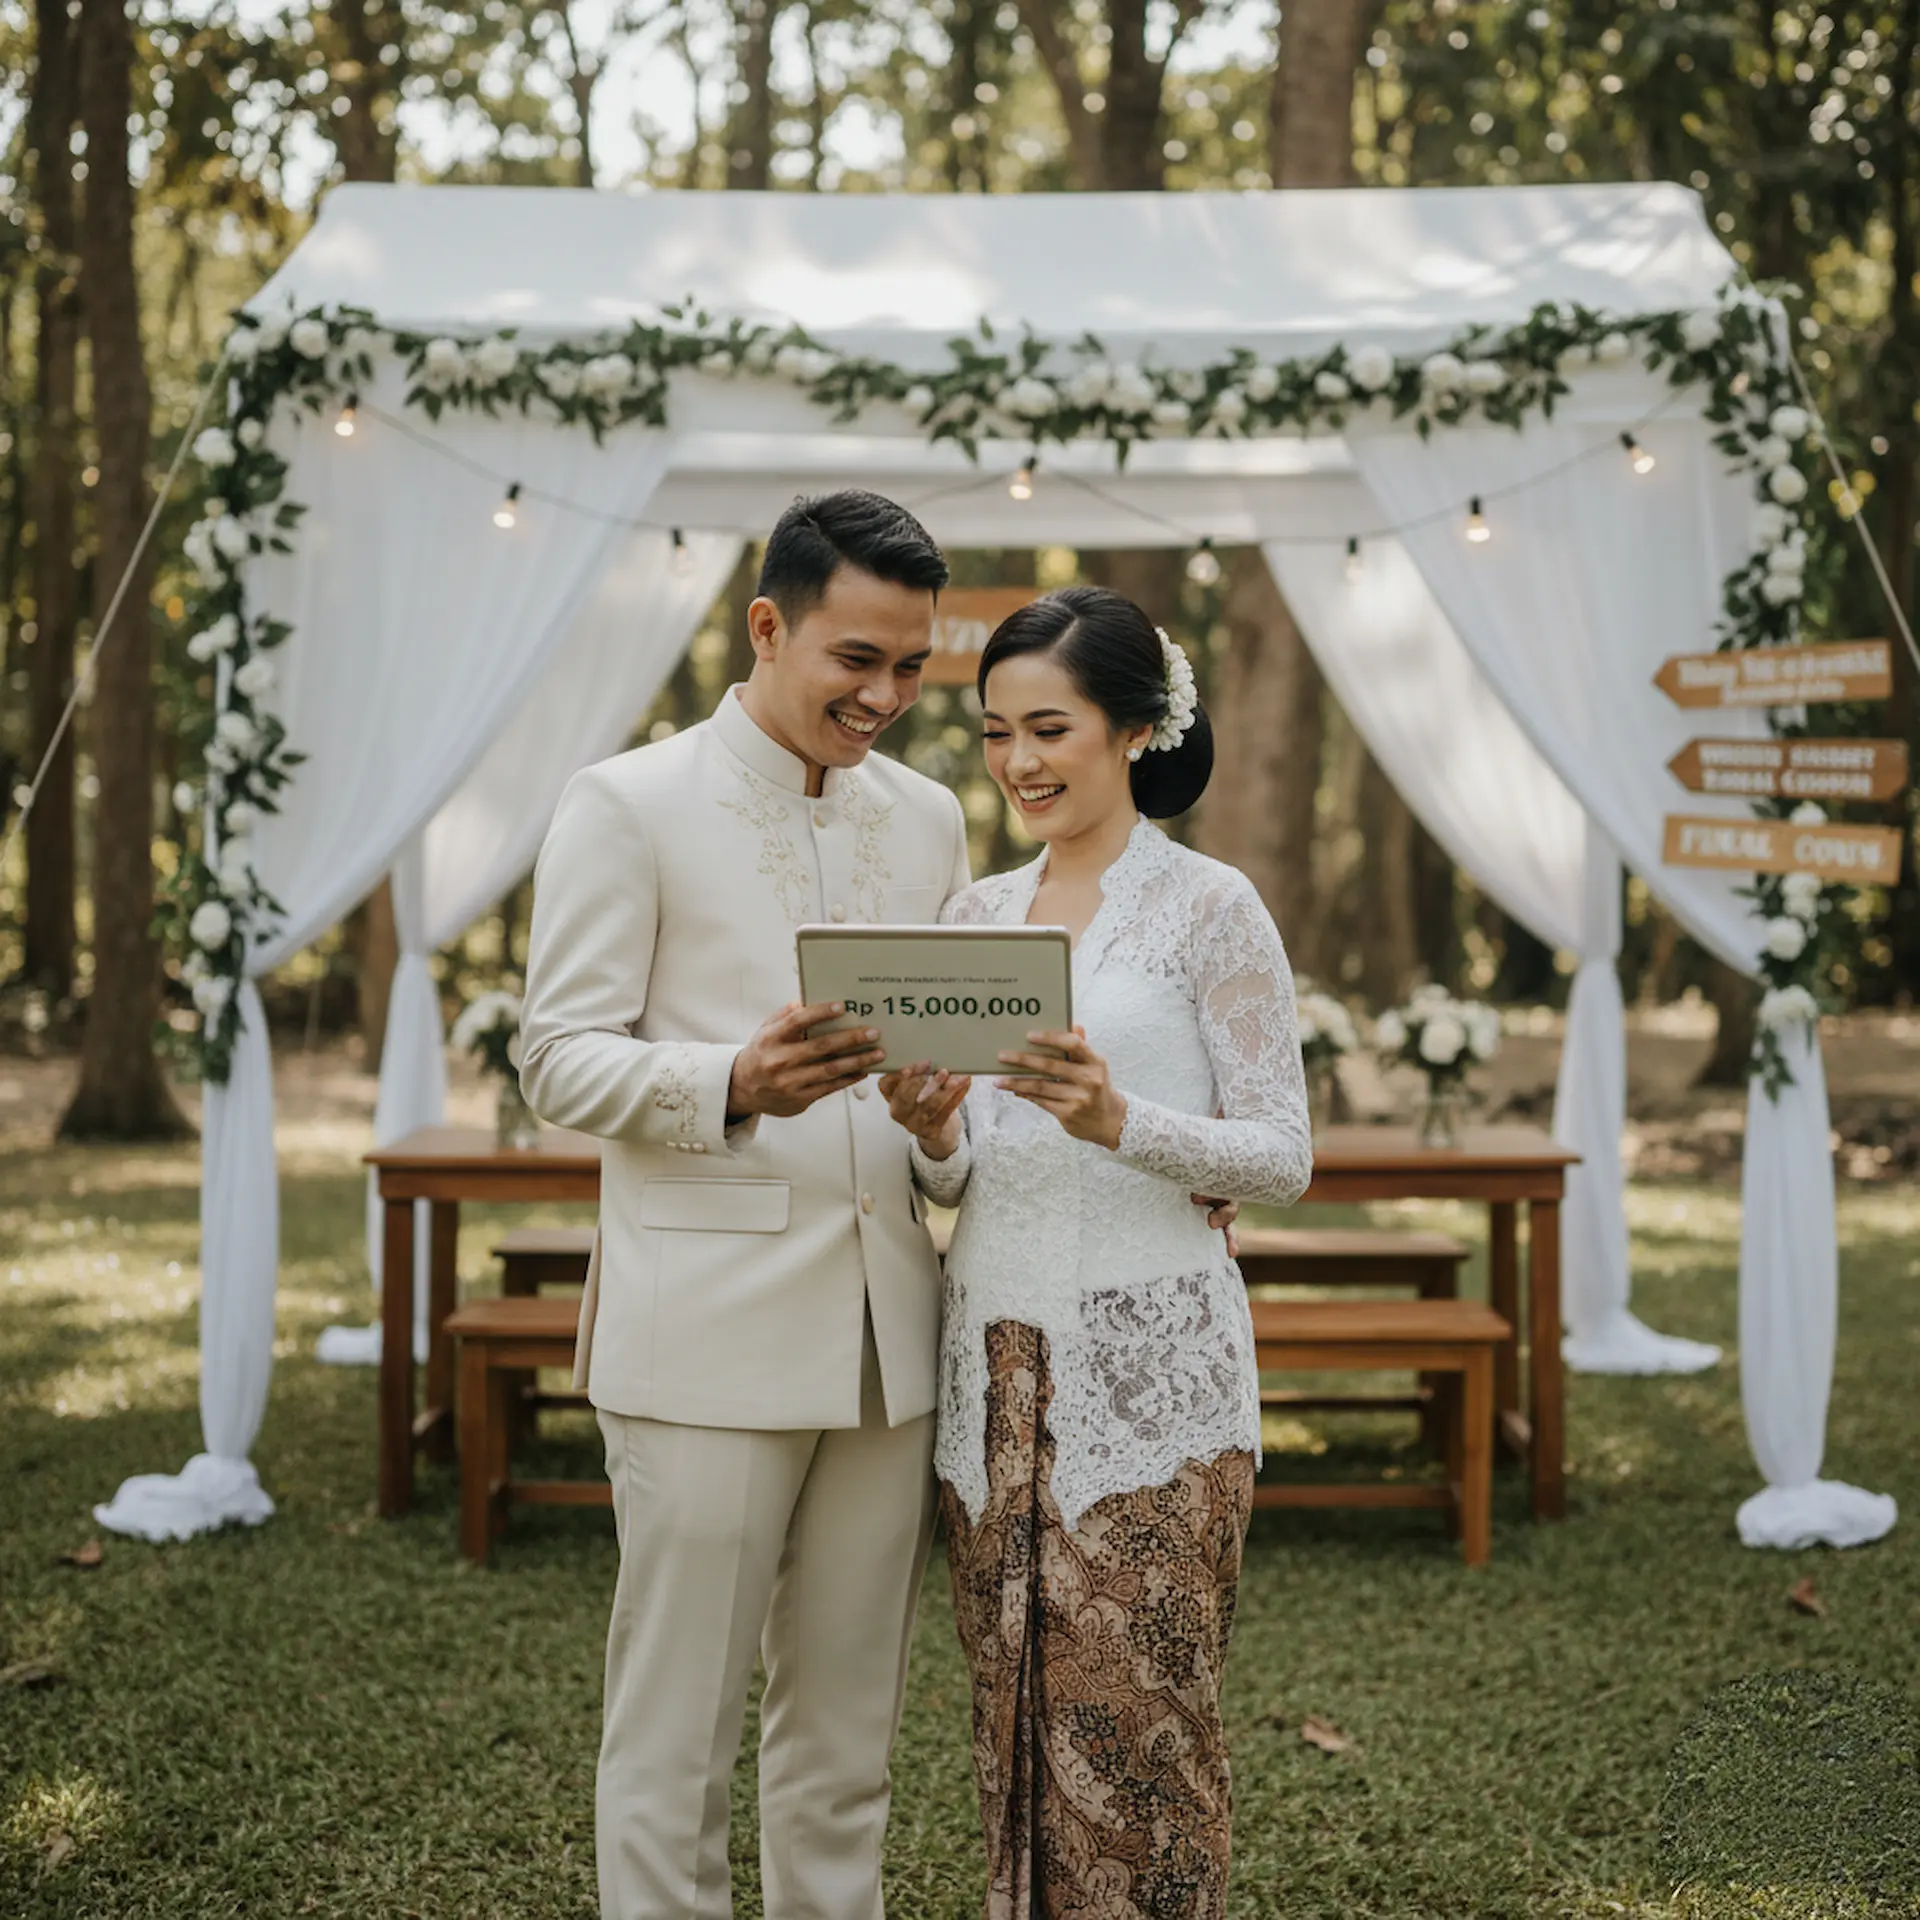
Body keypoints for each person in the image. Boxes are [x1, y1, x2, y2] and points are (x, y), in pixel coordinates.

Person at [517, 489, 974, 1919]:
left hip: (888, 1348)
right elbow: (555, 1054)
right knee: (675, 1742)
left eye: (910, 667)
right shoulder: (625, 800)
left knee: (846, 1746)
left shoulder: (933, 820)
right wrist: (729, 1080)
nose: (886, 697)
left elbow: (948, 1083)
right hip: (701, 1339)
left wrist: (942, 1135)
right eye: (857, 660)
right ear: (767, 626)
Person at [880, 585, 1313, 1919]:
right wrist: (928, 1128)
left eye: (1049, 727)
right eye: (998, 730)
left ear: (1132, 729)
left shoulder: (1210, 908)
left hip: (1152, 1377)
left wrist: (1120, 1118)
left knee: (1145, 1736)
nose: (1017, 761)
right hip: (993, 1367)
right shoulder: (971, 920)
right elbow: (961, 1170)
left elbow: (1283, 1154)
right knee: (1009, 1722)